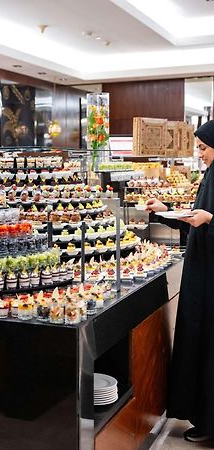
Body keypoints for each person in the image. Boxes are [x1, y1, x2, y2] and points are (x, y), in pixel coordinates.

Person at [145, 120, 214, 443]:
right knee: (198, 340)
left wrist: (210, 220)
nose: (199, 154)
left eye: (202, 147)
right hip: (201, 272)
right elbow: (195, 220)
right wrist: (165, 211)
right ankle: (203, 417)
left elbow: (206, 219)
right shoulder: (209, 177)